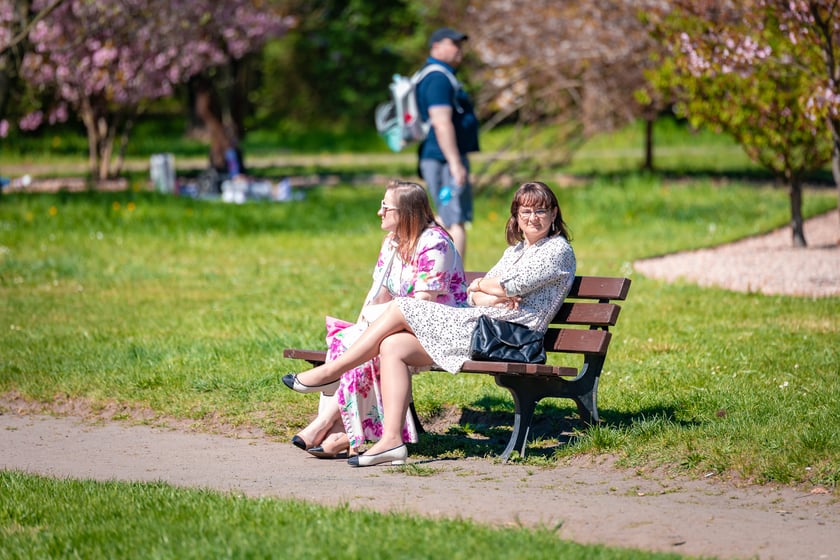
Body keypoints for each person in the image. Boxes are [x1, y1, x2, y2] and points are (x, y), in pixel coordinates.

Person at [284, 181, 576, 467]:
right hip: (483, 329)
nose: (533, 218)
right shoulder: (515, 251)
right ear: (516, 216)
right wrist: (489, 290)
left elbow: (509, 285)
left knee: (402, 306)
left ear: (554, 214)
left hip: (512, 338)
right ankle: (391, 441)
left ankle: (332, 373)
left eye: (541, 211)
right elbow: (474, 294)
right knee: (393, 346)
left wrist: (492, 288)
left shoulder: (557, 250)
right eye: (526, 212)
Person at [290, 180, 468, 459]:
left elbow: (422, 306)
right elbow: (378, 294)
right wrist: (362, 328)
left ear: (407, 211)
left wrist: (373, 331)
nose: (379, 212)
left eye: (386, 207)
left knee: (376, 346)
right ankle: (340, 433)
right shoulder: (392, 242)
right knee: (353, 340)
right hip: (399, 329)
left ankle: (330, 424)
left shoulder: (435, 243)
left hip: (438, 332)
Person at [416, 27, 480, 263]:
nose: (459, 49)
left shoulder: (439, 75)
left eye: (460, 44)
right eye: (453, 44)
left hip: (439, 157)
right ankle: (454, 279)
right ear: (436, 47)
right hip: (443, 159)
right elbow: (441, 122)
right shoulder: (438, 79)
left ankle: (441, 272)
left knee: (445, 217)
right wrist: (455, 163)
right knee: (455, 221)